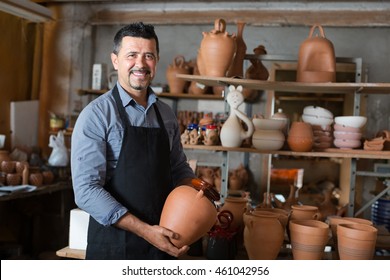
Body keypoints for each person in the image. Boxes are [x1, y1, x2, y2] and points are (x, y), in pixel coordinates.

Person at [71, 22, 196, 260]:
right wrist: (146, 231)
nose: (140, 64)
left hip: (164, 244)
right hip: (114, 248)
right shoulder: (96, 115)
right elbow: (86, 190)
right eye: (132, 55)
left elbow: (178, 168)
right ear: (116, 60)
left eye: (148, 56)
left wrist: (201, 191)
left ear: (156, 61)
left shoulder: (166, 115)